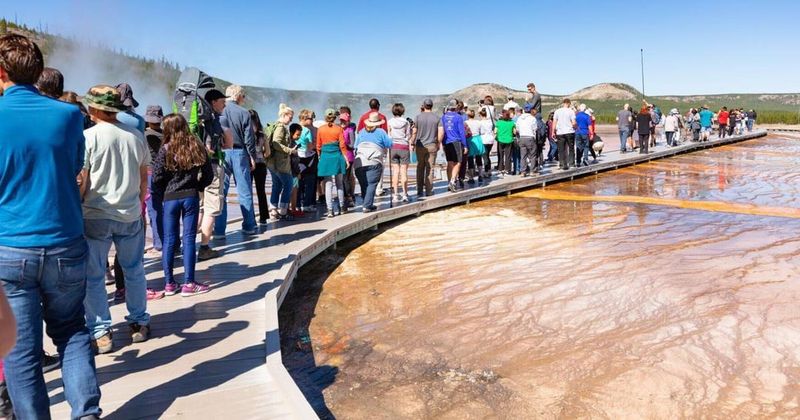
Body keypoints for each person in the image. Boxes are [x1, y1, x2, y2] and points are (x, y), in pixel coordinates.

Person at [0, 35, 102, 419]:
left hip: (9, 247)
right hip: (64, 241)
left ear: (1, 72)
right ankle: (87, 414)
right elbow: (76, 166)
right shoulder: (68, 115)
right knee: (72, 331)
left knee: (20, 349)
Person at [80, 85, 153, 354]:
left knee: (94, 275)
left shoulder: (87, 138)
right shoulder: (135, 136)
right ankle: (139, 322)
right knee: (134, 270)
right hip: (130, 213)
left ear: (96, 109)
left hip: (95, 214)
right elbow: (144, 179)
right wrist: (138, 203)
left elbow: (83, 180)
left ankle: (101, 332)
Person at [152, 114, 213, 297]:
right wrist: (197, 186)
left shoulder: (165, 149)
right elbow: (208, 174)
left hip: (170, 198)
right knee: (188, 239)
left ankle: (169, 283)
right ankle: (189, 283)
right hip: (191, 197)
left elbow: (156, 178)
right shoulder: (195, 145)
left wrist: (165, 191)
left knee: (169, 240)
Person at [214, 84, 258, 237]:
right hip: (240, 152)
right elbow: (249, 138)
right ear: (238, 96)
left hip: (222, 153)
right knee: (244, 190)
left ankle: (219, 230)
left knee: (221, 192)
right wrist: (252, 156)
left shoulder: (219, 111)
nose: (243, 99)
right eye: (243, 96)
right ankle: (249, 226)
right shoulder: (244, 112)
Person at [198, 89, 230, 260]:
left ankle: (185, 244)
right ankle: (204, 247)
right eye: (222, 101)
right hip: (212, 168)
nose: (224, 104)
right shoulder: (212, 121)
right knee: (211, 208)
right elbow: (225, 144)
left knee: (200, 207)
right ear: (213, 102)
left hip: (195, 170)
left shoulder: (198, 122)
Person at [354, 112, 393, 212]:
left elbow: (355, 146)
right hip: (374, 160)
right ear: (378, 123)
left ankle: (367, 203)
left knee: (364, 184)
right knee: (371, 183)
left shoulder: (362, 132)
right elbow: (389, 144)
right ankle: (367, 205)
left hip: (359, 161)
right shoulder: (380, 132)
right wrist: (390, 135)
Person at [267, 104, 298, 219]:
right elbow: (276, 143)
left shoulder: (276, 125)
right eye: (290, 117)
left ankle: (273, 209)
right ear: (284, 115)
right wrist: (290, 150)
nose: (291, 120)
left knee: (277, 185)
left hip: (272, 162)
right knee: (289, 184)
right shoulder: (280, 127)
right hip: (280, 162)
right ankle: (284, 210)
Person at [317, 108, 349, 217]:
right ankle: (341, 207)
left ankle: (330, 210)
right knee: (339, 183)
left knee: (328, 184)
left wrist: (320, 157)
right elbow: (342, 145)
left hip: (325, 157)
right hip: (337, 157)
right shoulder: (339, 129)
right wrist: (346, 158)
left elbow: (318, 146)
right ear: (335, 117)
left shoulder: (320, 129)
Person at [143, 105, 165, 253]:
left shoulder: (143, 135)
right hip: (166, 174)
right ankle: (172, 242)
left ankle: (159, 243)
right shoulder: (166, 135)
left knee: (154, 210)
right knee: (167, 210)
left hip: (150, 174)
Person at [357, 99, 389, 196]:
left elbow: (359, 131)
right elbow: (385, 133)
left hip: (365, 145)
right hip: (378, 146)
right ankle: (378, 189)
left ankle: (367, 187)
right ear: (378, 106)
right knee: (379, 166)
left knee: (366, 165)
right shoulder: (382, 117)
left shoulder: (363, 117)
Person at [438, 99, 468, 192]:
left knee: (450, 163)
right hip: (456, 142)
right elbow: (461, 132)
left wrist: (442, 143)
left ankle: (449, 182)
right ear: (456, 107)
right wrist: (465, 145)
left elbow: (442, 131)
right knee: (458, 162)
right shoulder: (458, 117)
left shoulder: (443, 117)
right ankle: (452, 181)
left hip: (447, 142)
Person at [412, 98, 439, 198]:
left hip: (420, 145)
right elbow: (440, 132)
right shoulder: (436, 117)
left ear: (424, 105)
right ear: (432, 106)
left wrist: (412, 142)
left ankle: (419, 190)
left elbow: (414, 131)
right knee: (430, 168)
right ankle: (429, 191)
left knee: (420, 167)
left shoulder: (418, 117)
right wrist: (438, 143)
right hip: (432, 145)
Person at [387, 103, 413, 202]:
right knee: (403, 172)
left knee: (395, 172)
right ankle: (405, 194)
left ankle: (395, 195)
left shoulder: (389, 122)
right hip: (404, 147)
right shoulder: (406, 122)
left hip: (393, 147)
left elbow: (389, 135)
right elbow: (408, 136)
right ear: (402, 111)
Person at [249, 109, 270, 225]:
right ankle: (263, 218)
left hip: (248, 164)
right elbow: (268, 153)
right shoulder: (263, 135)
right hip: (261, 165)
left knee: (248, 192)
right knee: (261, 191)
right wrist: (261, 154)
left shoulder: (245, 134)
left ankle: (250, 218)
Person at [296, 109, 318, 212]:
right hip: (308, 158)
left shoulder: (294, 128)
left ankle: (297, 204)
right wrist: (315, 145)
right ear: (304, 118)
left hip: (296, 157)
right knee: (310, 181)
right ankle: (307, 204)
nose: (312, 120)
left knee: (298, 181)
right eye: (311, 118)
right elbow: (310, 147)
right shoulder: (307, 131)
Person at [339, 107, 357, 208]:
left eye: (344, 121)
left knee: (346, 178)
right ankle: (344, 197)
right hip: (340, 156)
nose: (342, 123)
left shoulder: (350, 130)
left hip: (349, 156)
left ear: (348, 121)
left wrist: (344, 144)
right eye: (341, 120)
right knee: (342, 178)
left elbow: (353, 144)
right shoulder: (339, 129)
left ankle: (348, 197)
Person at [552, 98, 577, 170]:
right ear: (569, 103)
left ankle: (562, 164)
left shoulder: (557, 111)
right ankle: (571, 164)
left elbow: (554, 122)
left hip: (560, 132)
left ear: (563, 103)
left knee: (561, 149)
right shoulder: (571, 111)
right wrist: (576, 127)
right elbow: (574, 122)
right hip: (569, 132)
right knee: (571, 148)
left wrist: (553, 132)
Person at [515, 104, 538, 176]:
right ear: (530, 110)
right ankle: (532, 171)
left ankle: (523, 172)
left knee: (523, 156)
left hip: (522, 137)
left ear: (524, 110)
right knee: (533, 155)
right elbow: (535, 129)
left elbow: (517, 129)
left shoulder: (519, 118)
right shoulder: (532, 118)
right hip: (530, 137)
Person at [494, 109, 516, 176]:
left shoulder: (499, 122)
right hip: (509, 141)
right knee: (508, 156)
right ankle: (507, 170)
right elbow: (514, 132)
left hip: (500, 140)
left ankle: (500, 169)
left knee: (500, 155)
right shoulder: (512, 123)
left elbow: (495, 131)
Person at [477, 108, 495, 180]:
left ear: (481, 115)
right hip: (490, 140)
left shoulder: (480, 123)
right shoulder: (490, 122)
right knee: (487, 156)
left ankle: (486, 171)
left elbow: (481, 132)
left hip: (484, 140)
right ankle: (489, 170)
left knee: (485, 157)